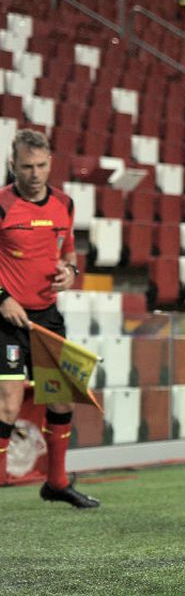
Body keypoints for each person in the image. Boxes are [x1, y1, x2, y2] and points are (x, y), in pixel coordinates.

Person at [0, 130, 98, 508]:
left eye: (41, 165)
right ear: (13, 166)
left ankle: (56, 483)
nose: (35, 173)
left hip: (47, 317)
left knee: (62, 402)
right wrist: (3, 298)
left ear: (50, 164)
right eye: (27, 166)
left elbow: (68, 249)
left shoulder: (64, 204)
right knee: (7, 405)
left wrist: (70, 271)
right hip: (7, 320)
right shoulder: (3, 204)